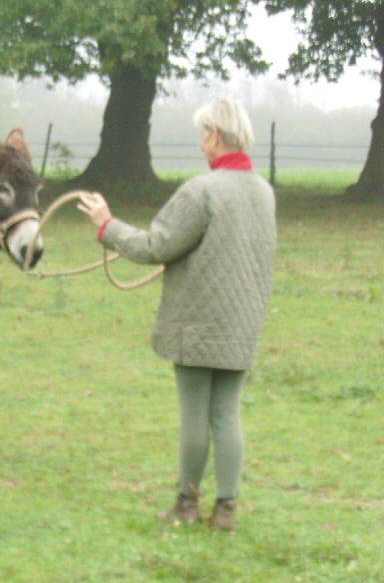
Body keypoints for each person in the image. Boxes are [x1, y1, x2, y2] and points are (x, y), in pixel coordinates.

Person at [77, 99, 276, 532]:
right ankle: (226, 510)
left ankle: (187, 503)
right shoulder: (264, 192)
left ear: (216, 136)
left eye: (203, 133)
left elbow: (156, 247)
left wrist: (107, 225)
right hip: (243, 323)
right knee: (226, 413)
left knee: (194, 414)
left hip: (197, 324)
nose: (201, 142)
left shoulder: (201, 191)